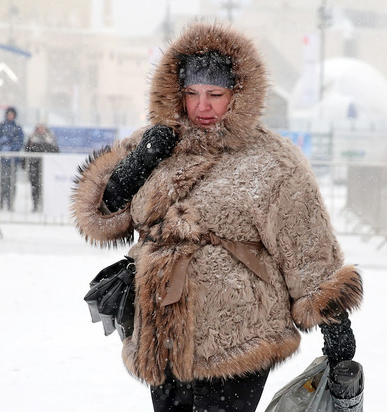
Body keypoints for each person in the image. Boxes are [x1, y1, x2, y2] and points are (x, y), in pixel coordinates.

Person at [72, 22, 363, 412]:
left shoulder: (273, 159)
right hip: (162, 331)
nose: (202, 107)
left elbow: (306, 245)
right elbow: (101, 214)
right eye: (192, 93)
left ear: (238, 95)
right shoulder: (156, 142)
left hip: (239, 333)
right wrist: (140, 162)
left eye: (215, 94)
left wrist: (336, 326)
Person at [0, 107, 24, 210]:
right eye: (9, 114)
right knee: (2, 182)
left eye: (12, 114)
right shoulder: (0, 126)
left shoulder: (17, 128)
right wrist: (1, 146)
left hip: (12, 160)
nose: (10, 116)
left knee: (11, 182)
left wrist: (11, 149)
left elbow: (20, 142)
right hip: (2, 160)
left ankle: (10, 203)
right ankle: (1, 202)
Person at [23, 123, 60, 212]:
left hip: (47, 168)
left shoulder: (50, 138)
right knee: (35, 186)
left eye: (43, 128)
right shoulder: (32, 138)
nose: (41, 130)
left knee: (46, 187)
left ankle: (45, 206)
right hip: (34, 166)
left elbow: (56, 151)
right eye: (39, 128)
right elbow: (26, 151)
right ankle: (35, 204)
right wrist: (24, 164)